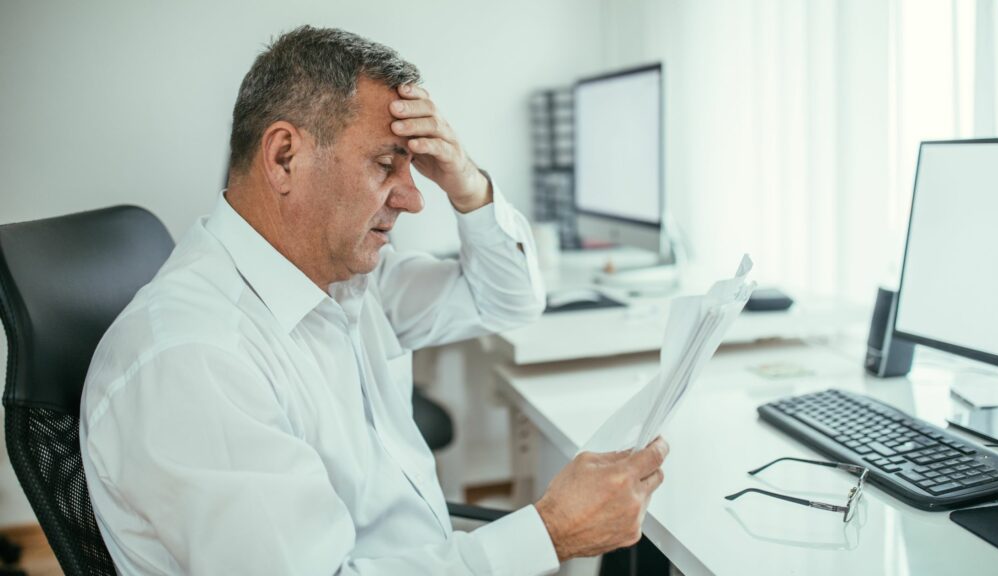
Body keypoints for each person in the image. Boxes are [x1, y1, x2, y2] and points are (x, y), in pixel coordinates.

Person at [80, 25, 668, 575]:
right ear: (284, 157)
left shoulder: (346, 278)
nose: (414, 200)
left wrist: (465, 178)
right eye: (387, 165)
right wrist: (550, 532)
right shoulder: (195, 360)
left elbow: (507, 300)